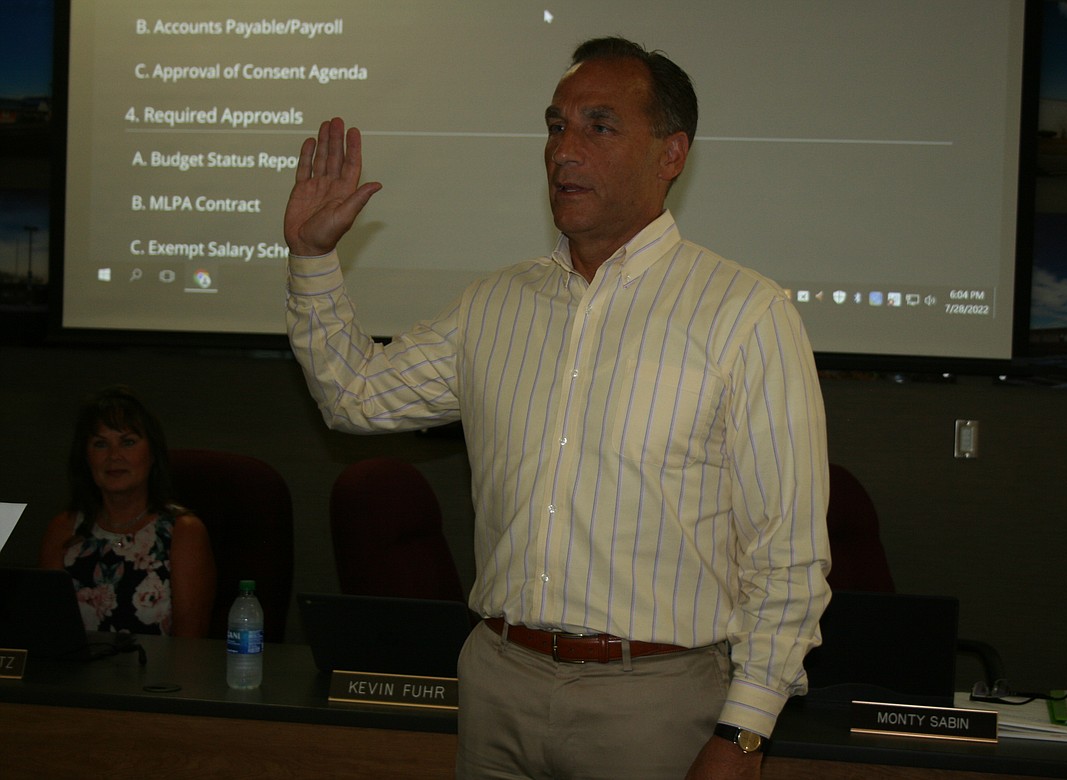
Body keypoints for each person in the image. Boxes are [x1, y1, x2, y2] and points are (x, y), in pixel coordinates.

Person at [284, 37, 829, 780]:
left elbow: (787, 554)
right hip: (498, 680)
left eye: (598, 127)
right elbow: (355, 396)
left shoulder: (746, 315)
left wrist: (744, 734)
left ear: (671, 154)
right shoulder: (493, 306)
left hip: (656, 700)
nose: (564, 151)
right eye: (555, 126)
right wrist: (313, 259)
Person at [39, 385, 216, 638]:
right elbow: (45, 635)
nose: (114, 456)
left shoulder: (183, 532)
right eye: (100, 444)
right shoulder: (64, 529)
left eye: (128, 442)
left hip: (159, 676)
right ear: (86, 457)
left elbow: (190, 646)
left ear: (153, 453)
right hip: (75, 675)